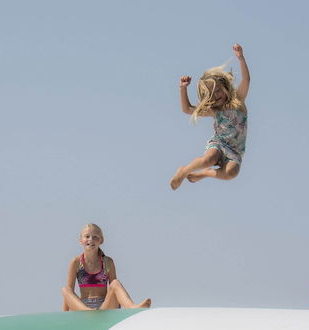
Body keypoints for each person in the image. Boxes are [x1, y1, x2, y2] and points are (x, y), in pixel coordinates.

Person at [170, 43, 250, 190]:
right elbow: (187, 109)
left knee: (232, 173)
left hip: (236, 150)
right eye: (211, 94)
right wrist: (183, 89)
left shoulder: (238, 102)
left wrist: (241, 59)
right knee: (209, 159)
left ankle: (205, 173)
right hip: (219, 144)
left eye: (218, 90)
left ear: (225, 87)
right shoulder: (215, 110)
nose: (216, 96)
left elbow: (246, 81)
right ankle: (184, 171)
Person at [61, 223, 152, 310]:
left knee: (115, 283)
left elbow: (116, 292)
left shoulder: (108, 262)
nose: (91, 239)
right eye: (87, 236)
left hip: (104, 307)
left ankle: (132, 307)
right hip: (82, 308)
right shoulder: (75, 262)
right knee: (65, 289)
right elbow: (69, 295)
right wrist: (63, 317)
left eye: (95, 237)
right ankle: (88, 310)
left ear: (101, 240)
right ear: (80, 240)